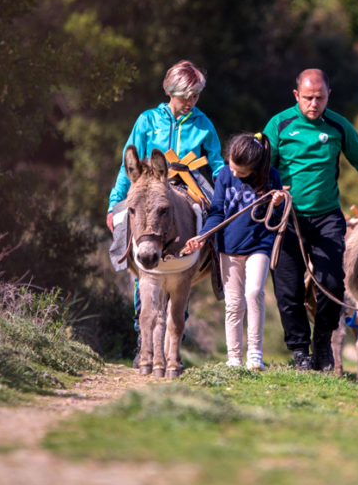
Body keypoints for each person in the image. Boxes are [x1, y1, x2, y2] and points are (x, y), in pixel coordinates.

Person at [263, 69, 358, 372]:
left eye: (320, 97)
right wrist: (271, 188)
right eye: (307, 98)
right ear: (296, 96)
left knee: (332, 283)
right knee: (288, 290)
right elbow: (261, 167)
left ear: (328, 96)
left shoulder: (338, 126)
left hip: (327, 219)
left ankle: (322, 342)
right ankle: (299, 352)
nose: (314, 103)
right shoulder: (279, 125)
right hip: (287, 219)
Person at [106, 61, 225, 359]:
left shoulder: (203, 123)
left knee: (219, 224)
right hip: (148, 187)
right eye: (186, 95)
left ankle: (218, 272)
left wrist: (232, 187)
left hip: (191, 184)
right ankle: (141, 333)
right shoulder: (147, 120)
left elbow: (218, 163)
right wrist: (114, 202)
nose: (191, 102)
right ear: (170, 91)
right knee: (125, 220)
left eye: (196, 95)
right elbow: (127, 163)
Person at [183, 134, 284, 371]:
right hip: (228, 246)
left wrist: (276, 205)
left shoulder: (272, 177)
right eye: (232, 167)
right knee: (234, 303)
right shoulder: (225, 175)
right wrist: (203, 235)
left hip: (259, 244)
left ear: (256, 168)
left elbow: (278, 220)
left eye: (241, 171)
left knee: (254, 292)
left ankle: (255, 355)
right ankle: (234, 359)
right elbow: (217, 212)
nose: (235, 174)